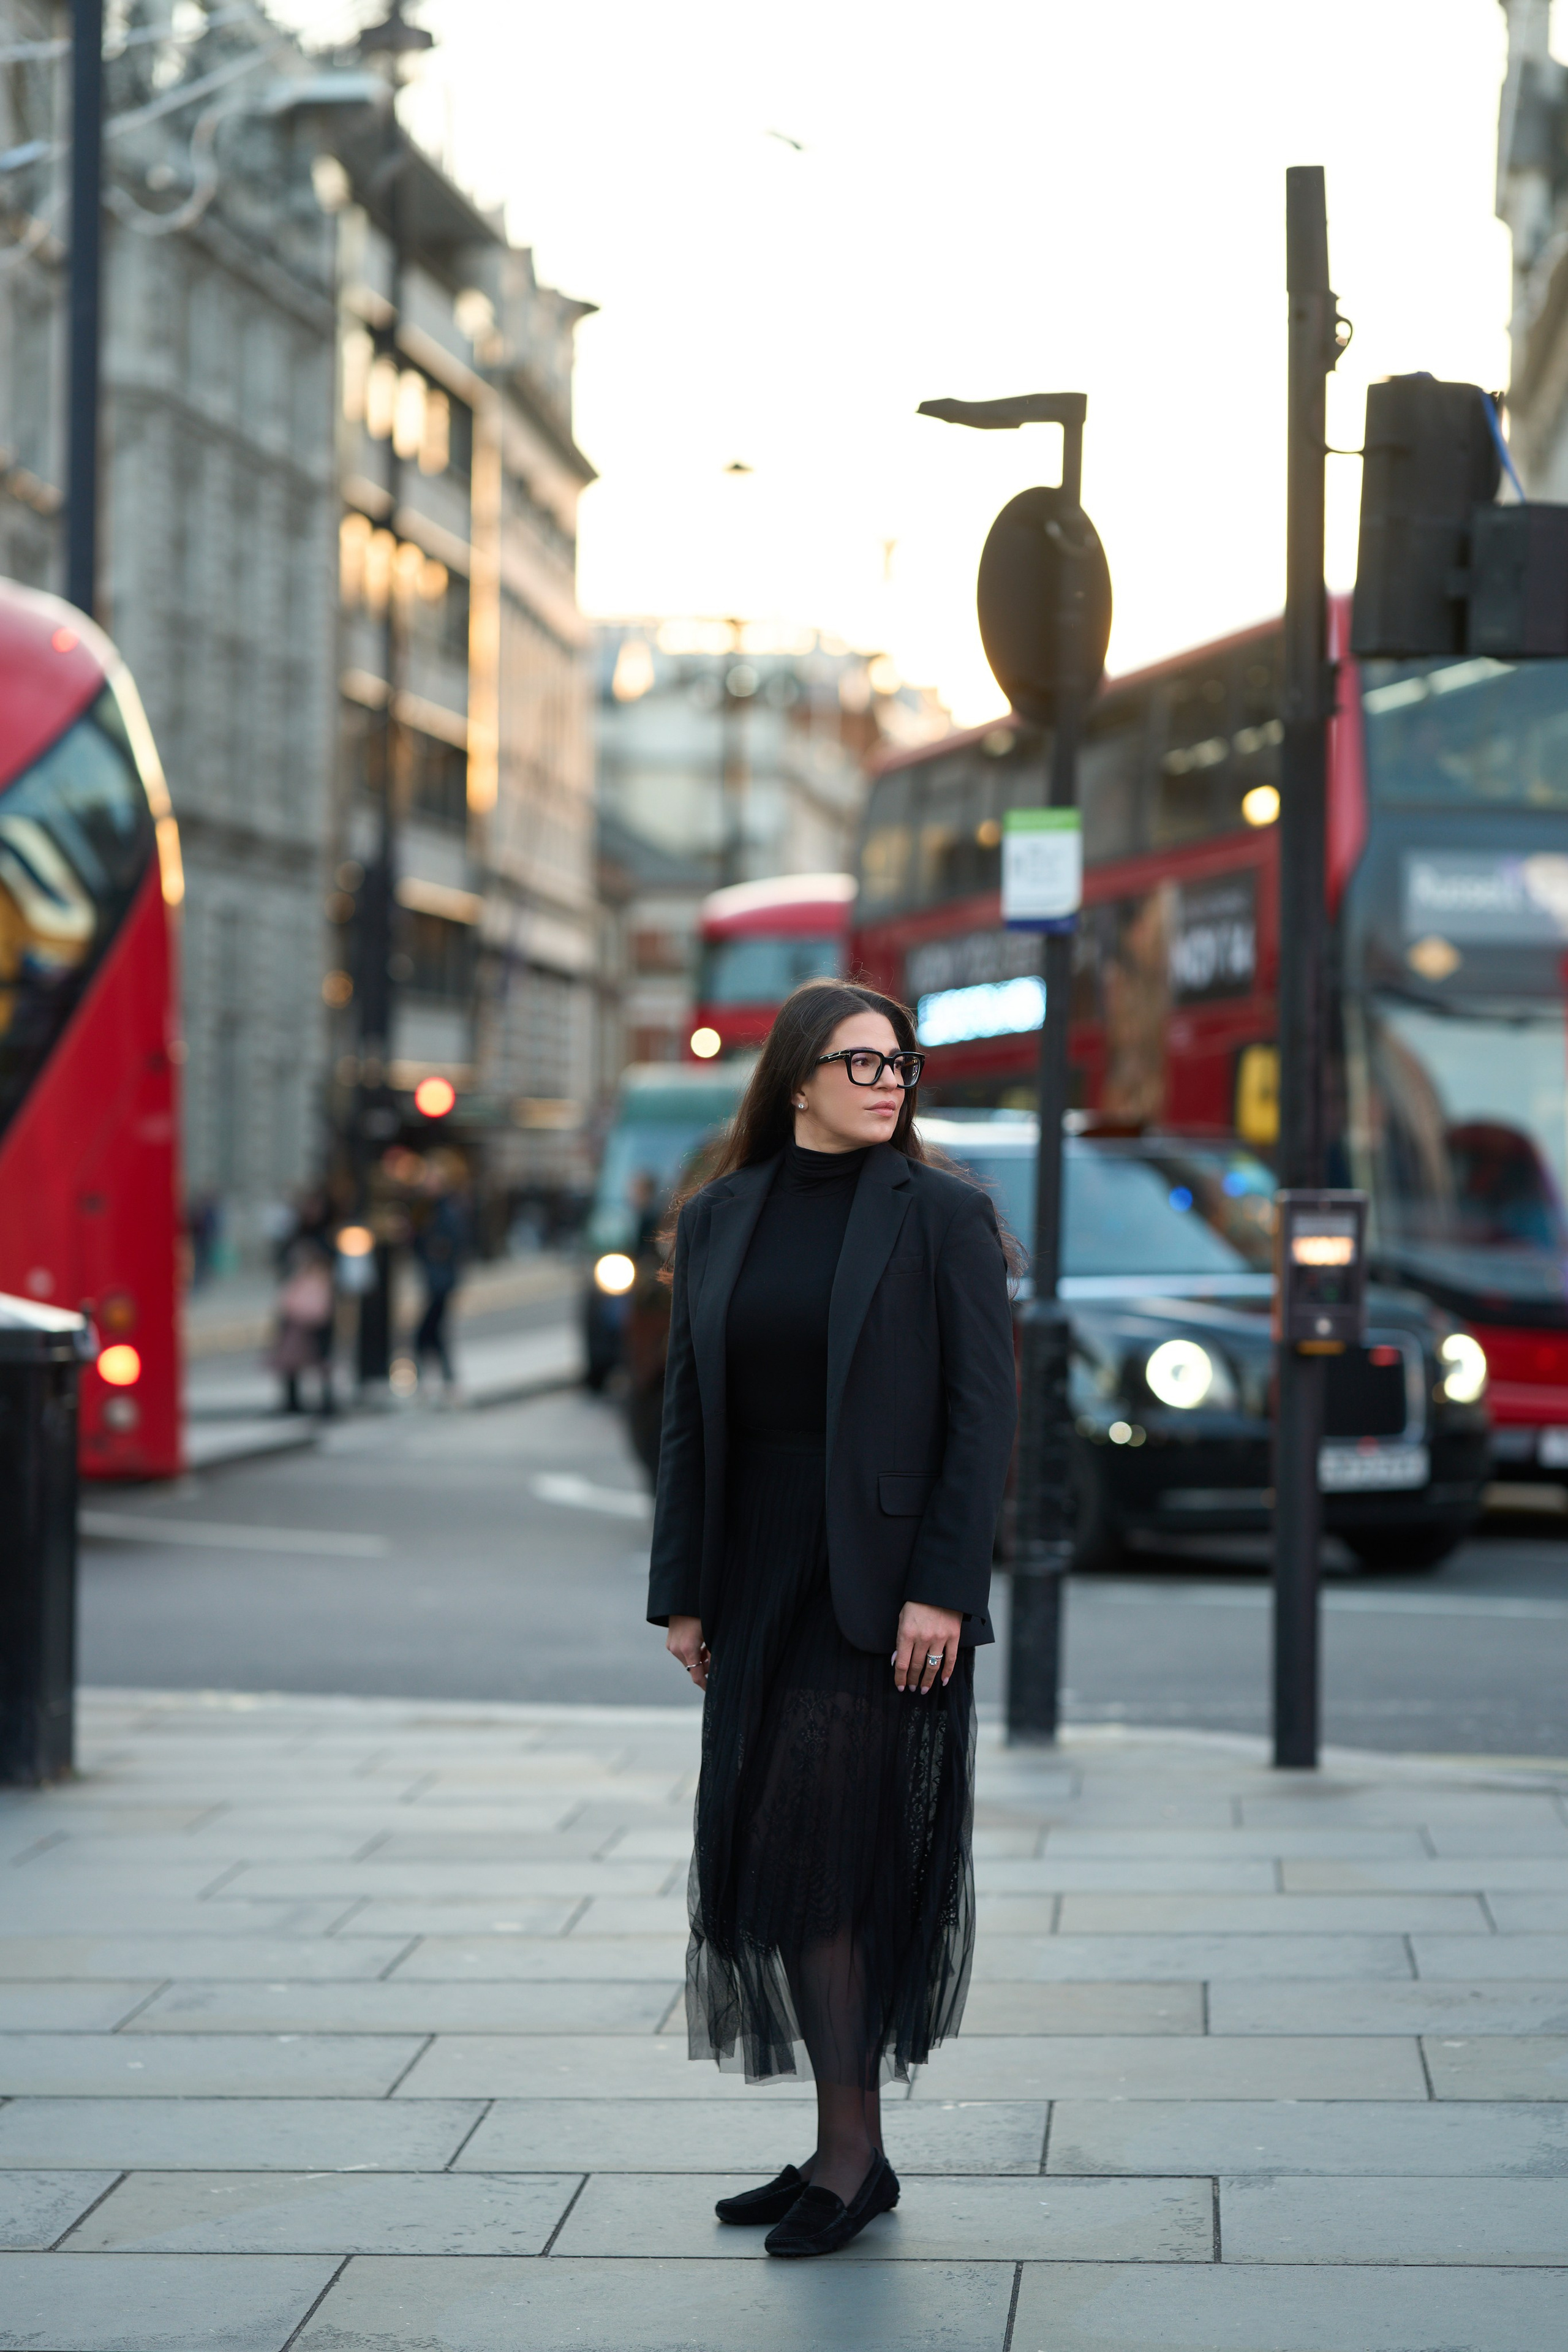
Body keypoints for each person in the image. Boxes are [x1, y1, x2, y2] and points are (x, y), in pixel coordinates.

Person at [647, 979, 1017, 2259]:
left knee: (822, 1853)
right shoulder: (718, 1217)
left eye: (898, 1066)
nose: (884, 1083)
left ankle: (851, 2157)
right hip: (756, 1568)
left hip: (878, 1582)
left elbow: (981, 1420)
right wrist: (683, 1591)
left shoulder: (945, 1219)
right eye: (858, 1063)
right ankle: (836, 2145)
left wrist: (943, 1587)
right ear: (795, 1075)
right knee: (776, 1850)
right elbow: (691, 1417)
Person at [411, 1159, 469, 1393]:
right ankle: (443, 1376)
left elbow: (455, 1245)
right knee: (434, 1330)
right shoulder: (425, 1210)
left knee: (427, 1330)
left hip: (443, 1280)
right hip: (433, 1277)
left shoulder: (448, 1212)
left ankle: (437, 1375)